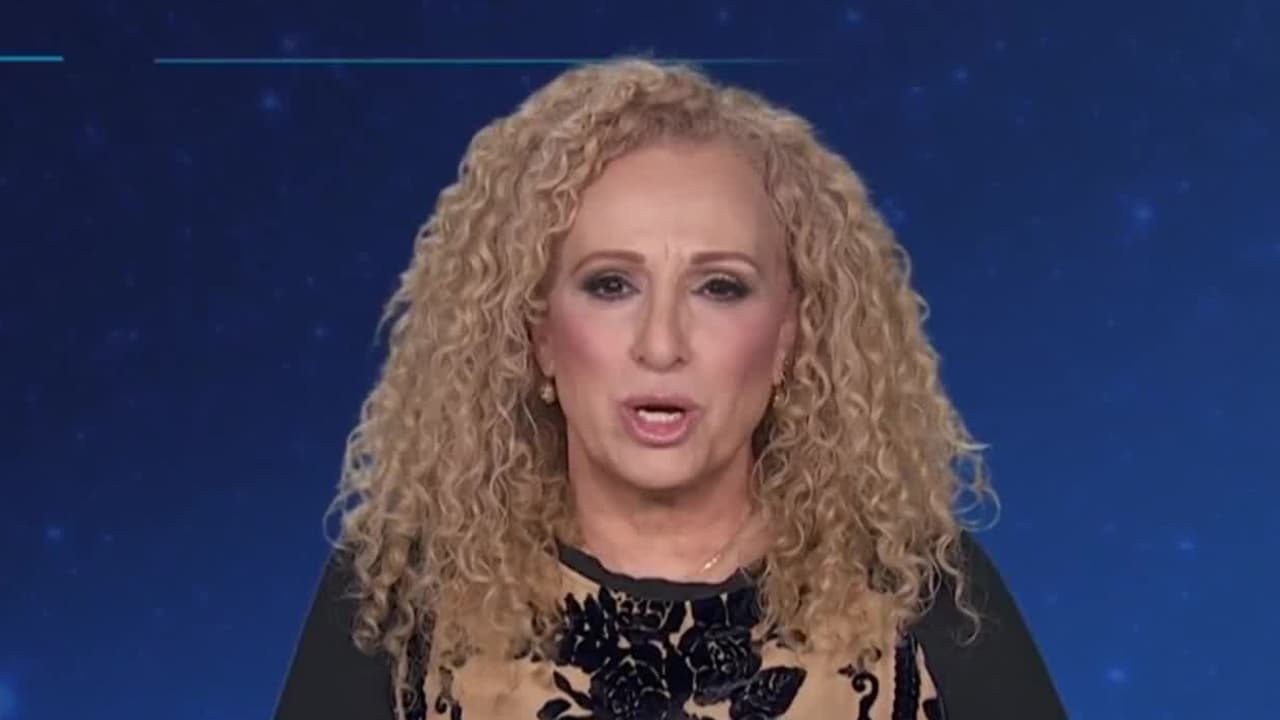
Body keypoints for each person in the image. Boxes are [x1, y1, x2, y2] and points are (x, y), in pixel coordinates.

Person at [273, 57, 1066, 719]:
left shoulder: (920, 596)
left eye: (719, 287)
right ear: (538, 333)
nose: (661, 344)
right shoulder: (401, 600)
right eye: (611, 284)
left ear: (789, 336)